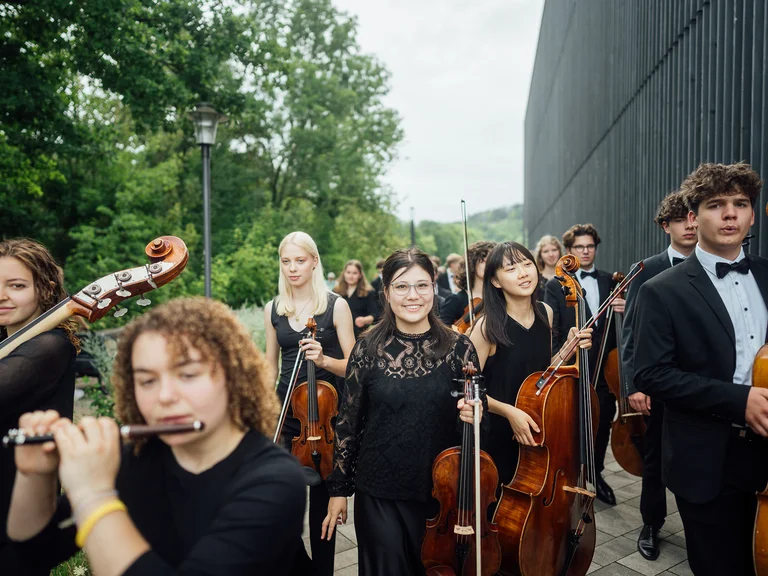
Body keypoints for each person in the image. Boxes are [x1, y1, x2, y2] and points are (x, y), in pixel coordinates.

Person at [6, 297, 306, 575]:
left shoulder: (276, 480)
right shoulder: (130, 460)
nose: (164, 396)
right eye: (147, 380)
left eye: (187, 375)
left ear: (234, 377)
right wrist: (35, 475)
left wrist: (93, 495)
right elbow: (32, 553)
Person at [633, 162, 768, 576]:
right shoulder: (660, 290)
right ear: (693, 217)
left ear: (750, 214)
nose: (730, 214)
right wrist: (738, 400)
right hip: (708, 460)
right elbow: (651, 374)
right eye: (716, 204)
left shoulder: (766, 274)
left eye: (740, 204)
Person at [320, 247, 483, 576]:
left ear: (434, 289)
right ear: (386, 292)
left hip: (440, 495)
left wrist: (476, 415)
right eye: (402, 286)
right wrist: (338, 491)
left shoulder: (460, 347)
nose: (413, 295)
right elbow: (348, 423)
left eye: (422, 285)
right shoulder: (366, 348)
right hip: (379, 491)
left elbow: (476, 422)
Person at [264, 231, 355, 576]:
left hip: (326, 416)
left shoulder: (336, 305)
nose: (292, 268)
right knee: (275, 504)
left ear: (314, 261)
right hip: (286, 413)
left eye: (299, 260)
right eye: (286, 261)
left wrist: (324, 361)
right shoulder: (274, 308)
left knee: (322, 509)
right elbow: (269, 367)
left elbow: (354, 365)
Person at [469, 242, 592, 489]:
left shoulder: (545, 312)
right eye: (511, 268)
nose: (524, 273)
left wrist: (569, 348)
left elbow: (542, 373)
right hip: (499, 432)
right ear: (495, 281)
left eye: (527, 264)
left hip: (537, 427)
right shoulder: (486, 328)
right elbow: (469, 390)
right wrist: (510, 412)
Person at [620, 190, 697, 560]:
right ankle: (651, 523)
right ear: (666, 226)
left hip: (703, 385)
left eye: (694, 216)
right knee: (654, 460)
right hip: (661, 386)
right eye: (681, 219)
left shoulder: (716, 262)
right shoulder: (648, 268)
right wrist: (634, 384)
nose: (691, 225)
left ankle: (703, 525)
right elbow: (631, 331)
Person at [0, 238, 79, 575]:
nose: (2, 295)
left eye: (16, 286)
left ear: (45, 289)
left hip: (14, 503)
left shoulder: (51, 346)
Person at [544, 224, 625, 506]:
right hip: (574, 367)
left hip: (605, 369)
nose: (586, 251)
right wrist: (559, 361)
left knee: (602, 423)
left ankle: (597, 473)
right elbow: (553, 329)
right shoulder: (555, 286)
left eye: (590, 246)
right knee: (571, 425)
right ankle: (571, 474)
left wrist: (626, 309)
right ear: (569, 251)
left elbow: (617, 329)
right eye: (579, 247)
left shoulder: (610, 280)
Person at [439, 241, 496, 328]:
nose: (490, 265)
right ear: (472, 263)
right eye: (485, 261)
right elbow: (442, 334)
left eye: (493, 262)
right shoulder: (455, 301)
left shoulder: (500, 297)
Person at [333, 260, 378, 339]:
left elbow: (376, 314)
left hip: (359, 336)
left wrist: (365, 320)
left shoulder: (368, 292)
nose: (351, 276)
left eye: (355, 273)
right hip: (337, 337)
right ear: (344, 273)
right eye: (348, 272)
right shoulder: (335, 292)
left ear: (360, 275)